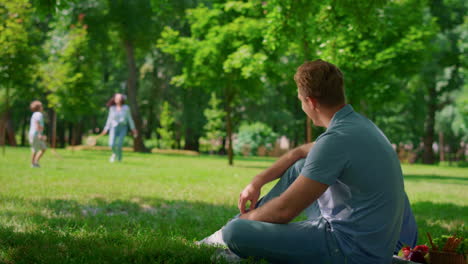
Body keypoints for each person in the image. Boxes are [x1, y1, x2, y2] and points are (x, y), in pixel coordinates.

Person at [199, 60, 418, 264]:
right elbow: (303, 152)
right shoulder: (360, 127)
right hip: (378, 242)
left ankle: (228, 236)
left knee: (236, 232)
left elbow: (284, 211)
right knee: (301, 167)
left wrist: (246, 221)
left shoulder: (335, 141)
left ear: (310, 102)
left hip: (350, 251)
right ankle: (230, 236)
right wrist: (258, 181)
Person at [100, 93, 137, 162]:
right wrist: (106, 128)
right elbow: (109, 119)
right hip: (113, 127)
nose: (118, 100)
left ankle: (119, 158)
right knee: (111, 144)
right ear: (114, 99)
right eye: (117, 98)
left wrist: (133, 128)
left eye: (119, 98)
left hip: (123, 127)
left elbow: (130, 119)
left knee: (119, 144)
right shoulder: (112, 108)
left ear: (122, 99)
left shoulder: (126, 108)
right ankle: (114, 154)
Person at [29, 100, 47, 168]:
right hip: (35, 134)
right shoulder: (38, 114)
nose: (42, 107)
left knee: (43, 148)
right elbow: (37, 123)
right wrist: (39, 134)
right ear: (39, 107)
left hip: (35, 134)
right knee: (35, 149)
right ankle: (33, 164)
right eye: (41, 106)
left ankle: (36, 162)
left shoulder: (35, 114)